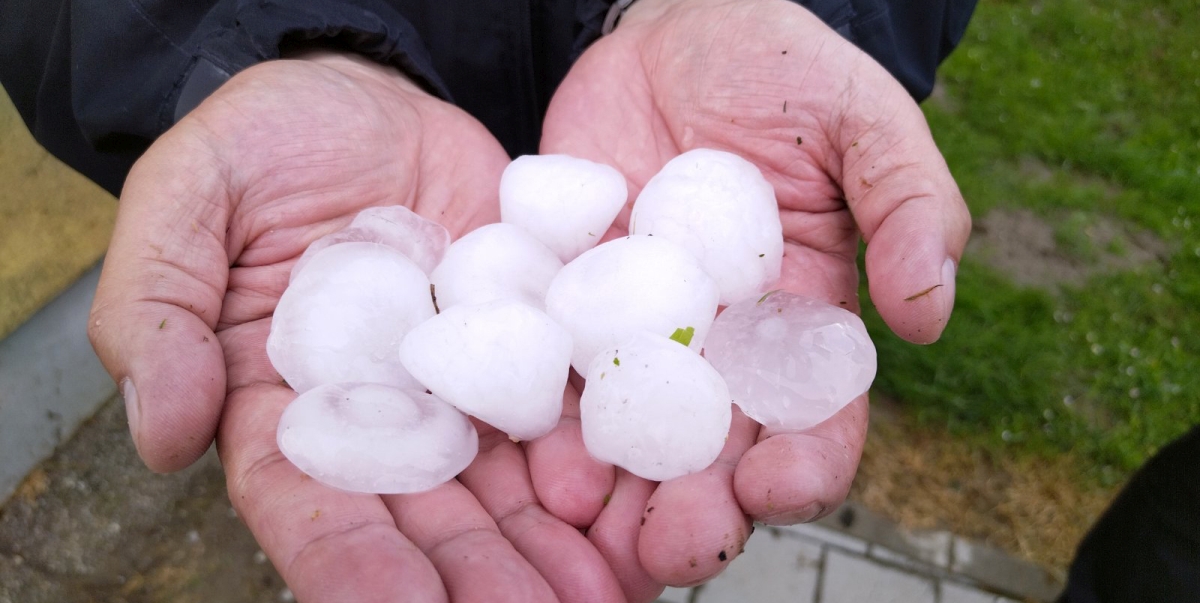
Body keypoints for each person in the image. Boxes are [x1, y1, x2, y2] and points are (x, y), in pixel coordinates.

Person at [1, 0, 976, 600]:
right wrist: (246, 39)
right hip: (389, 150)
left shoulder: (626, 275)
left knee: (580, 543)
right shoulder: (480, 292)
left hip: (635, 114)